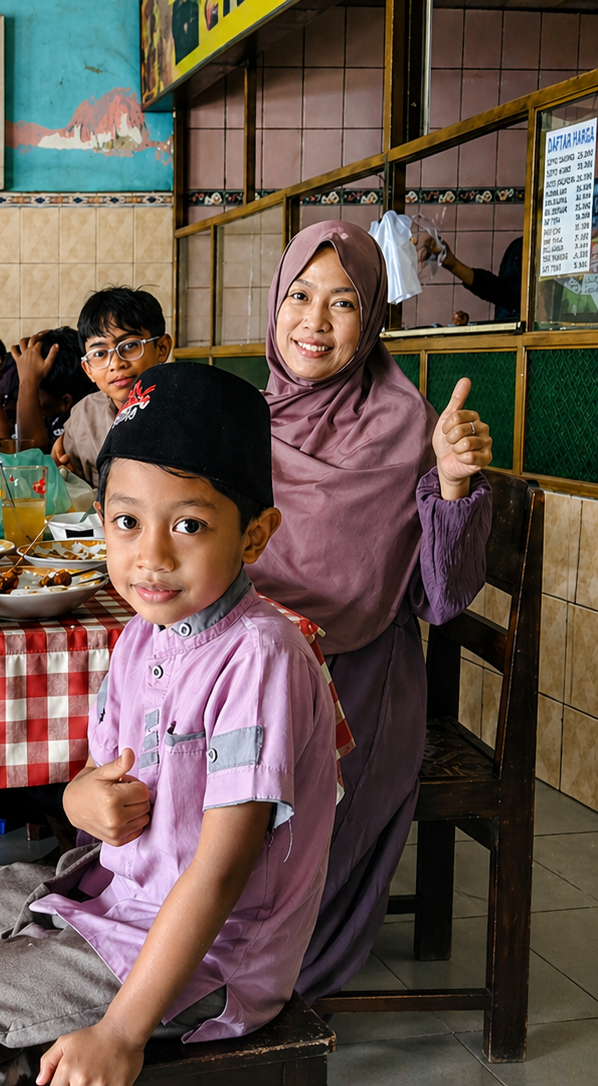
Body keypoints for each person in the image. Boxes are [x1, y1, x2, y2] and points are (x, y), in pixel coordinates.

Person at [0, 363, 338, 1086]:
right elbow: (100, 783)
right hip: (111, 893)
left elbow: (220, 872)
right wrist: (77, 799)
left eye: (189, 525)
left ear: (254, 537)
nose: (151, 555)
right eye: (127, 522)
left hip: (209, 955)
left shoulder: (260, 656)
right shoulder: (141, 638)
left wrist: (122, 1031)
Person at [242, 221, 493, 1001]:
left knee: (261, 820)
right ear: (276, 304)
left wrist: (453, 484)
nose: (314, 322)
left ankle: (259, 976)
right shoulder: (243, 422)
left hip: (357, 683)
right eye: (300, 296)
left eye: (343, 302)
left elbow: (442, 598)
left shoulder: (408, 429)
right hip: (243, 670)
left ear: (374, 316)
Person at [54, 286, 172, 486]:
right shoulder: (84, 417)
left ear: (161, 348)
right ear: (88, 369)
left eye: (130, 346)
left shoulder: (188, 408)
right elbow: (72, 487)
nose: (116, 363)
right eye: (100, 354)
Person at [10, 325, 96, 453]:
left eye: (33, 395)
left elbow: (31, 456)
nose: (24, 397)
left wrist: (28, 382)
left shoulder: (82, 422)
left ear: (65, 401)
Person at [419, 235, 521, 322]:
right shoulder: (517, 247)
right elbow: (501, 291)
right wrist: (454, 265)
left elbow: (505, 293)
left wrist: (455, 266)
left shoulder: (521, 248)